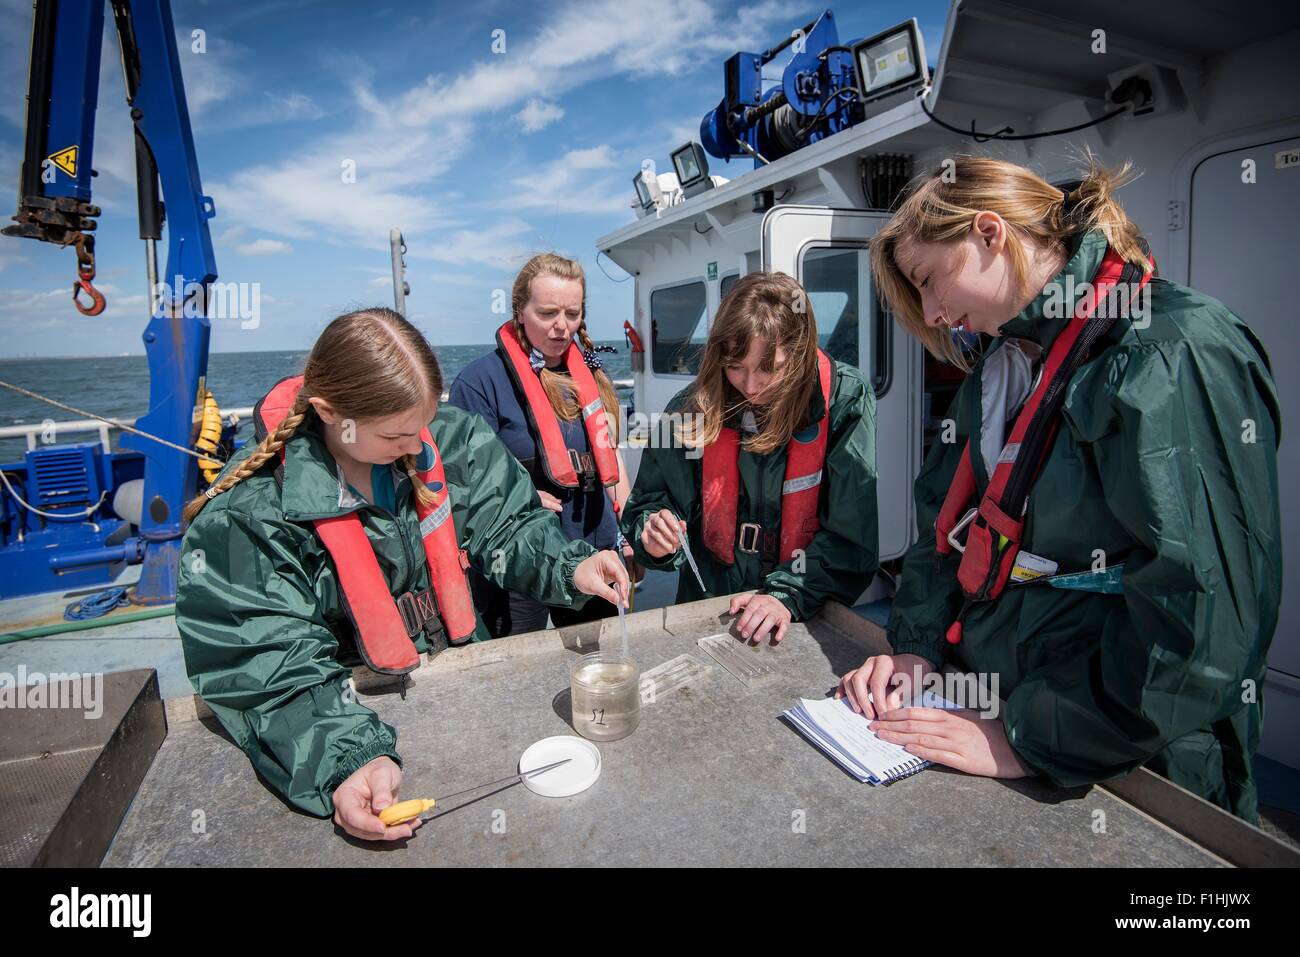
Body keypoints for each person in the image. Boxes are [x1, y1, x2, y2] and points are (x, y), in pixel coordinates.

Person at [839, 154, 1280, 824]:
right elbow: (945, 526)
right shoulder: (1005, 362)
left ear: (989, 232)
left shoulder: (1169, 349)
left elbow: (1203, 620)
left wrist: (1033, 735)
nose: (931, 312)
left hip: (1133, 762)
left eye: (928, 281)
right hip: (998, 709)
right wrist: (916, 649)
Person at [177, 307, 628, 841]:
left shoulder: (450, 438)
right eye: (396, 437)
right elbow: (266, 664)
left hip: (462, 692)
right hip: (349, 708)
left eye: (423, 426)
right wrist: (345, 761)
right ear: (329, 413)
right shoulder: (247, 518)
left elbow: (509, 526)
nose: (417, 447)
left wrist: (569, 565)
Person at [620, 270, 879, 644]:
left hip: (801, 611)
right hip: (708, 606)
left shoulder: (846, 401)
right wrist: (653, 534)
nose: (751, 385)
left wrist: (786, 594)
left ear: (799, 353)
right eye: (735, 367)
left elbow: (851, 538)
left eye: (768, 368)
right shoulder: (690, 408)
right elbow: (648, 502)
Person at [448, 252, 633, 636]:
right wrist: (522, 494)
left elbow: (611, 456)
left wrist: (626, 533)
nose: (561, 327)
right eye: (547, 313)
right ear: (519, 310)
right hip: (519, 557)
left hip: (593, 545)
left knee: (598, 659)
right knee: (513, 670)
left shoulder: (592, 373)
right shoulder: (479, 382)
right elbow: (465, 481)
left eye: (572, 313)